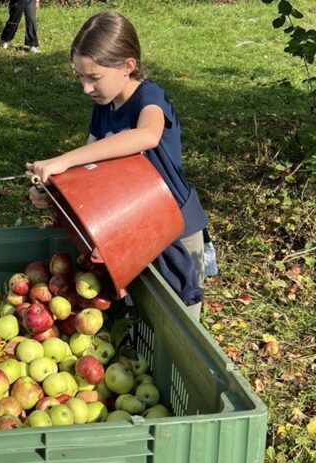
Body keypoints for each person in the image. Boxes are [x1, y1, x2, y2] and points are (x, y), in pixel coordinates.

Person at [25, 11, 212, 319]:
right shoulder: (103, 108)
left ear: (128, 66)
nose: (86, 88)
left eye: (94, 77)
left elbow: (147, 135)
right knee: (141, 313)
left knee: (178, 318)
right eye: (80, 77)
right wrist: (52, 191)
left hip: (174, 231)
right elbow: (88, 172)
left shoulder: (149, 97)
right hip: (131, 228)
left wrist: (65, 159)